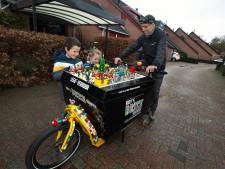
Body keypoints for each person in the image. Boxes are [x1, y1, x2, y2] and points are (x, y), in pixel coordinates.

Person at [114, 14, 167, 126]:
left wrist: (155, 65)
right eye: (142, 27)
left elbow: (161, 52)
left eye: (146, 27)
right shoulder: (143, 37)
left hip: (158, 67)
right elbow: (133, 47)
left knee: (154, 91)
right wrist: (121, 56)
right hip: (146, 62)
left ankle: (151, 113)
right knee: (133, 69)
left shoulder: (161, 35)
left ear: (153, 25)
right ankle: (140, 108)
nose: (143, 29)